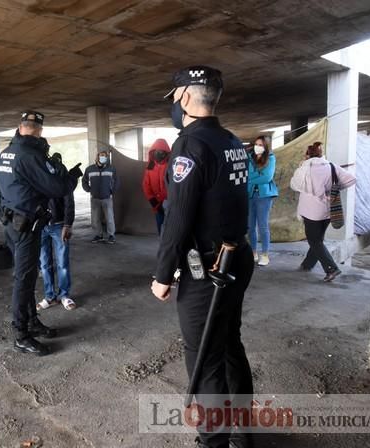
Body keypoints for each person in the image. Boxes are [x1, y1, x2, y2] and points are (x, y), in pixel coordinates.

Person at [151, 66, 254, 448]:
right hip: (236, 257)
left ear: (185, 97)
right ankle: (243, 429)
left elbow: (178, 217)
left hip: (208, 269)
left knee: (206, 355)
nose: (174, 104)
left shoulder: (190, 145)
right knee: (228, 343)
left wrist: (163, 274)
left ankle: (213, 441)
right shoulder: (232, 141)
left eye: (174, 96)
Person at [0, 111, 82, 356]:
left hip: (12, 226)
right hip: (27, 228)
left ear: (19, 127)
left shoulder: (4, 155)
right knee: (24, 280)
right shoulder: (30, 156)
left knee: (28, 277)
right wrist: (70, 174)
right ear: (39, 130)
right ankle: (21, 334)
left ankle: (32, 321)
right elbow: (57, 188)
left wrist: (9, 218)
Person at [290, 141, 356, 282]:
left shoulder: (304, 169)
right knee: (317, 239)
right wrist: (334, 189)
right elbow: (351, 179)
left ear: (307, 154)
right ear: (321, 154)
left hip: (311, 211)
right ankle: (307, 264)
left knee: (314, 241)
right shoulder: (331, 166)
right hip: (328, 210)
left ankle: (331, 268)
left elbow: (294, 185)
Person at [37, 152, 77, 312]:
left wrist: (68, 224)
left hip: (58, 225)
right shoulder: (35, 173)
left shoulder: (60, 173)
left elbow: (69, 201)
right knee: (44, 263)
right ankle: (50, 296)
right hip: (40, 226)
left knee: (62, 263)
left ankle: (64, 295)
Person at [247, 136, 278, 266]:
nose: (257, 146)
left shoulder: (270, 158)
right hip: (250, 195)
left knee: (263, 226)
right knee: (250, 226)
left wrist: (250, 178)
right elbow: (247, 173)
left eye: (260, 144)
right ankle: (253, 252)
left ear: (266, 146)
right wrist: (257, 176)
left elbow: (267, 177)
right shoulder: (249, 157)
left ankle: (265, 254)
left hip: (264, 196)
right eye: (256, 144)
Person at [82, 149, 119, 244]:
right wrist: (89, 190)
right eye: (101, 155)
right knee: (95, 218)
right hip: (95, 198)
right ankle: (99, 235)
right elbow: (84, 181)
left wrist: (112, 191)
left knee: (110, 218)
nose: (103, 157)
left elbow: (117, 181)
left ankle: (111, 235)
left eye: (105, 156)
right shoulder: (89, 169)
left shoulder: (111, 168)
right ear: (97, 157)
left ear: (107, 158)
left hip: (107, 198)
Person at [142, 138, 172, 235]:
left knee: (171, 229)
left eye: (162, 151)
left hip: (170, 203)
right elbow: (146, 185)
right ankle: (163, 247)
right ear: (153, 152)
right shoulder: (150, 167)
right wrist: (154, 203)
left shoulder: (171, 166)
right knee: (160, 227)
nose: (159, 154)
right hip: (157, 204)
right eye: (157, 151)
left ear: (166, 152)